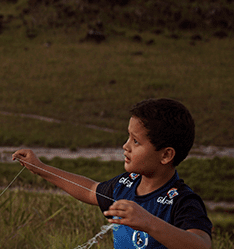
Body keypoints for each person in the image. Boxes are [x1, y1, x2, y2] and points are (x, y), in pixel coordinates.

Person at [12, 98, 212, 249]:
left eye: (136, 141)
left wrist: (149, 222)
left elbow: (201, 244)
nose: (126, 146)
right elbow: (90, 190)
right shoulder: (125, 185)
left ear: (166, 155)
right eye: (128, 137)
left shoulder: (182, 201)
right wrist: (41, 168)